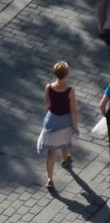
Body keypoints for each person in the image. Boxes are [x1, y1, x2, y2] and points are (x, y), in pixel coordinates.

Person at [37, 60, 79, 190]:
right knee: (65, 142)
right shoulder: (70, 90)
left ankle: (49, 179)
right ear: (67, 74)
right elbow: (73, 110)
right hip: (65, 121)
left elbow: (48, 105)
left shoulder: (49, 87)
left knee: (51, 152)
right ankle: (66, 160)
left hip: (52, 120)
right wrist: (76, 127)